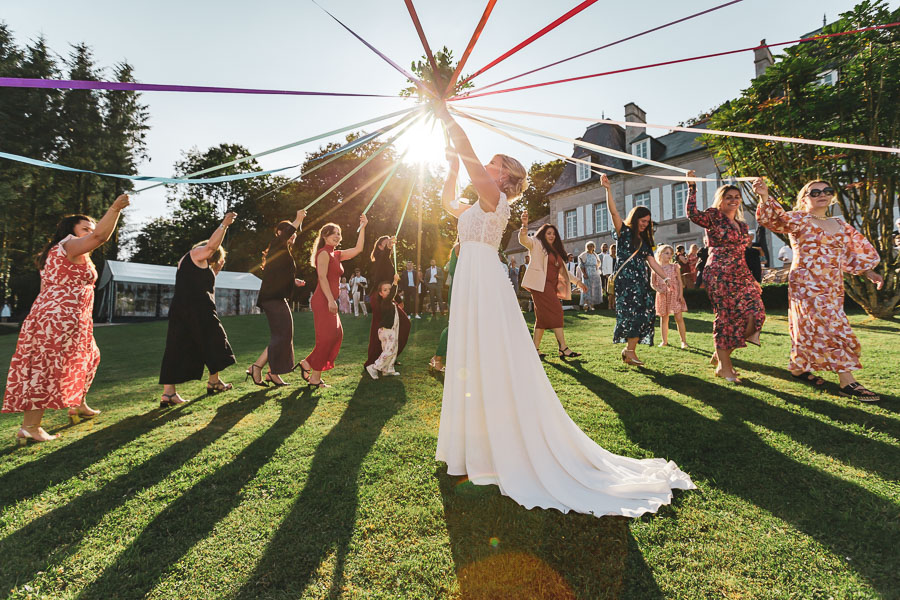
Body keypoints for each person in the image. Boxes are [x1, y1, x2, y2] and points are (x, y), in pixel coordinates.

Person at [434, 104, 694, 517]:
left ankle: (494, 446)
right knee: (472, 354)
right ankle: (474, 444)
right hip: (471, 277)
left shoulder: (494, 197)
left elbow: (468, 156)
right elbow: (448, 201)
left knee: (491, 354)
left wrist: (450, 121)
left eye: (493, 162)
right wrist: (450, 163)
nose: (486, 165)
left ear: (504, 176)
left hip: (483, 279)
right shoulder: (477, 202)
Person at [4, 194, 130, 444]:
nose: (90, 232)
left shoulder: (69, 252)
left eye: (90, 229)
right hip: (58, 318)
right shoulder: (68, 245)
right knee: (45, 367)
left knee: (90, 356)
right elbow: (100, 236)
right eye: (85, 229)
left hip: (71, 318)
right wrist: (115, 208)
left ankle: (78, 404)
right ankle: (30, 427)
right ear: (70, 231)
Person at [755, 178, 883, 401]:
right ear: (804, 199)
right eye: (814, 193)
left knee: (810, 326)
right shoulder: (799, 219)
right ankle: (847, 380)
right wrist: (764, 196)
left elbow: (851, 252)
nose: (822, 195)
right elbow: (774, 219)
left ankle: (798, 367)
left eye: (827, 191)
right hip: (806, 284)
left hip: (832, 285)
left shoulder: (840, 224)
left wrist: (869, 272)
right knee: (833, 326)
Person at [685, 171, 765, 383]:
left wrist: (752, 280)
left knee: (755, 314)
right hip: (719, 273)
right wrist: (692, 187)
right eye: (728, 197)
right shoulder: (713, 216)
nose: (733, 200)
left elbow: (741, 255)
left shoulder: (743, 225)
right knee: (726, 318)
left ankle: (720, 354)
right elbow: (692, 214)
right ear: (720, 200)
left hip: (740, 272)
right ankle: (724, 367)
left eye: (736, 197)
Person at [159, 213, 238, 406]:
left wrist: (215, 271)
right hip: (196, 311)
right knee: (215, 341)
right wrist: (224, 225)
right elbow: (211, 247)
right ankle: (213, 382)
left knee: (177, 347)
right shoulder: (195, 254)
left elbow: (204, 286)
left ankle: (169, 394)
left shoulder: (199, 265)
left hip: (184, 309)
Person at [605, 176, 672, 365]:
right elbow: (613, 212)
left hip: (641, 283)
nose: (645, 224)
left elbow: (653, 263)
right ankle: (630, 351)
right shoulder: (624, 232)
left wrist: (666, 278)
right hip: (626, 283)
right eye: (642, 220)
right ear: (635, 219)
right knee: (631, 315)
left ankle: (629, 351)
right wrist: (607, 189)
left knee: (643, 315)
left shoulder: (645, 241)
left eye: (647, 222)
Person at [296, 216, 368, 389]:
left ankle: (308, 363)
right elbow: (322, 278)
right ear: (325, 236)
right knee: (326, 338)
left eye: (339, 233)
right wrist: (330, 300)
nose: (337, 236)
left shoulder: (336, 254)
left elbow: (358, 249)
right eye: (333, 233)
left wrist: (363, 226)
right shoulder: (323, 253)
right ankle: (314, 378)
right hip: (323, 300)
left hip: (329, 300)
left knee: (336, 335)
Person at [249, 210, 307, 387]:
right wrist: (298, 219)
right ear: (280, 233)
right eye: (290, 231)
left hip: (277, 297)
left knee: (283, 335)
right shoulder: (277, 244)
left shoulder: (282, 251)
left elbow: (278, 275)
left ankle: (271, 373)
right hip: (272, 298)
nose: (293, 234)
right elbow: (287, 233)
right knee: (282, 334)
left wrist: (293, 281)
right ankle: (258, 367)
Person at [519, 217, 587, 358]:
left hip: (551, 286)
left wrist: (578, 282)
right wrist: (524, 226)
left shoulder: (556, 252)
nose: (551, 236)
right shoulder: (536, 243)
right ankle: (563, 347)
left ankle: (534, 350)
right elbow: (524, 240)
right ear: (543, 234)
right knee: (557, 311)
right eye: (549, 233)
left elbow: (565, 272)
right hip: (540, 286)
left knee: (542, 318)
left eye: (554, 234)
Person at [366, 236, 411, 368]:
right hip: (379, 297)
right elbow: (383, 261)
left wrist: (398, 299)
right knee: (381, 328)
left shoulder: (387, 260)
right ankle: (374, 360)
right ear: (380, 246)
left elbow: (390, 282)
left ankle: (389, 355)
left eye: (390, 244)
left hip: (387, 296)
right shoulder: (380, 258)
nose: (389, 246)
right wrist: (388, 247)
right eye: (386, 244)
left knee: (400, 325)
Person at [651, 245, 688, 348]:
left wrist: (680, 294)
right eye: (667, 253)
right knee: (664, 318)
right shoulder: (655, 268)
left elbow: (679, 281)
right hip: (662, 295)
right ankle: (664, 341)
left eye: (671, 253)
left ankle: (683, 341)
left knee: (679, 317)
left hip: (675, 294)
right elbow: (652, 283)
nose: (669, 255)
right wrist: (658, 290)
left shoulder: (674, 267)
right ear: (660, 254)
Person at [430, 243, 460, 373]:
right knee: (454, 326)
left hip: (472, 291)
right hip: (459, 291)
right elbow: (453, 271)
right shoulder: (458, 247)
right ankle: (437, 358)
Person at [366, 273, 402, 379]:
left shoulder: (390, 302)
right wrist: (395, 282)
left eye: (389, 289)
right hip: (387, 331)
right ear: (380, 293)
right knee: (389, 351)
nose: (388, 291)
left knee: (392, 350)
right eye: (385, 290)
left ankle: (387, 369)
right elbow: (392, 294)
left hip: (387, 330)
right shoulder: (385, 302)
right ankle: (374, 367)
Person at [577, 242, 602, 311]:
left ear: (594, 247)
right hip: (587, 272)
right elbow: (581, 265)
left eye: (591, 246)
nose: (590, 247)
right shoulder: (583, 255)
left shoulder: (595, 255)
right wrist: (584, 274)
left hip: (595, 273)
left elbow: (598, 264)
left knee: (594, 289)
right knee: (587, 289)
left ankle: (592, 305)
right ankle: (586, 304)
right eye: (588, 246)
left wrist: (597, 272)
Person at [606, 242, 617, 309]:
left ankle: (614, 305)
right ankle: (609, 305)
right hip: (610, 276)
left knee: (615, 292)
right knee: (610, 292)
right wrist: (607, 275)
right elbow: (604, 266)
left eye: (615, 249)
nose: (614, 250)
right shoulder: (607, 257)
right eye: (612, 249)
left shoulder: (618, 257)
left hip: (617, 275)